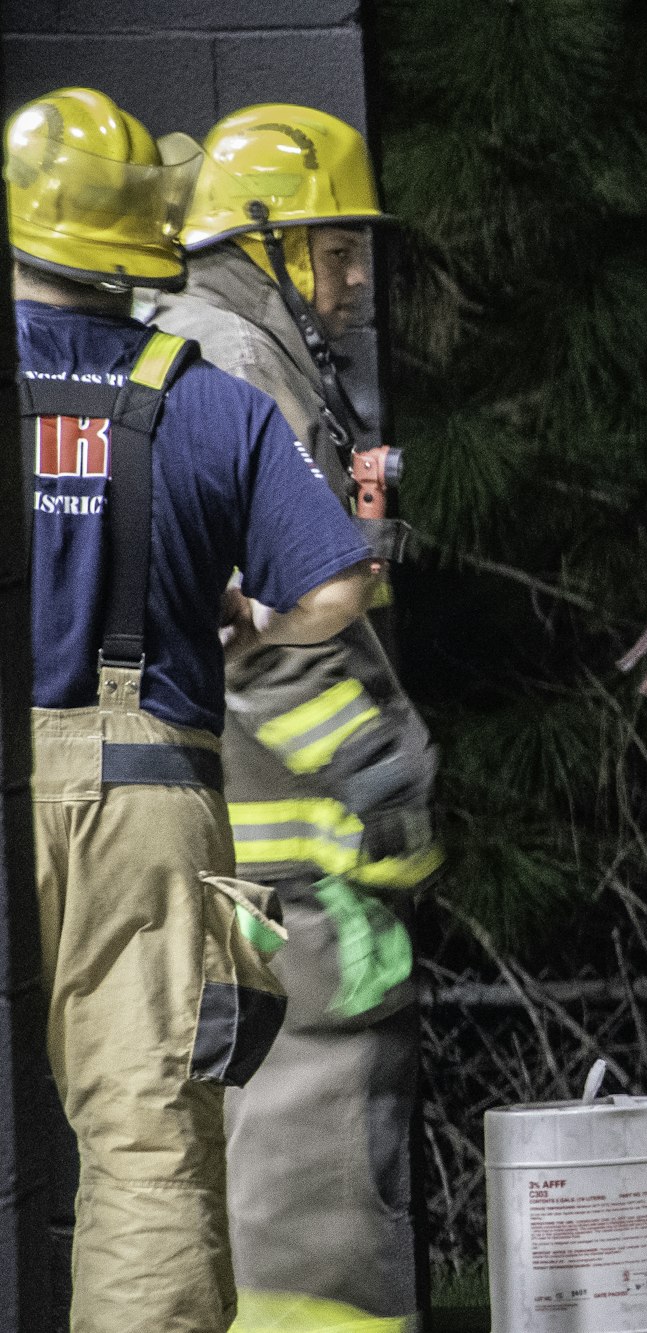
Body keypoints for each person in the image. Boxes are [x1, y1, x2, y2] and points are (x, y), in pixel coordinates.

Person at [8, 88, 375, 1331]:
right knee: (147, 1136)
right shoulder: (210, 398)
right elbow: (334, 582)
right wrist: (258, 620)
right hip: (140, 809)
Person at [145, 104, 440, 1328]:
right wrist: (372, 768)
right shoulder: (237, 365)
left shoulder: (193, 349)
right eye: (334, 246)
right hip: (284, 844)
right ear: (262, 244)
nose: (356, 274)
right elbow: (255, 627)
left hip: (242, 833)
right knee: (313, 1128)